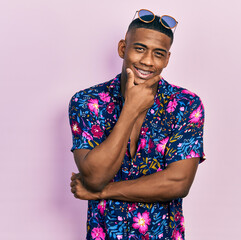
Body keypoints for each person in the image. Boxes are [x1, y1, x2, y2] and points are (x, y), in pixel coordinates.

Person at [69, 9, 205, 240]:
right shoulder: (87, 102)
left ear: (167, 59)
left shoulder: (186, 104)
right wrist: (130, 109)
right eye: (139, 48)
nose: (147, 61)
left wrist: (102, 192)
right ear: (123, 48)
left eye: (158, 54)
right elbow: (94, 177)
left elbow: (177, 182)